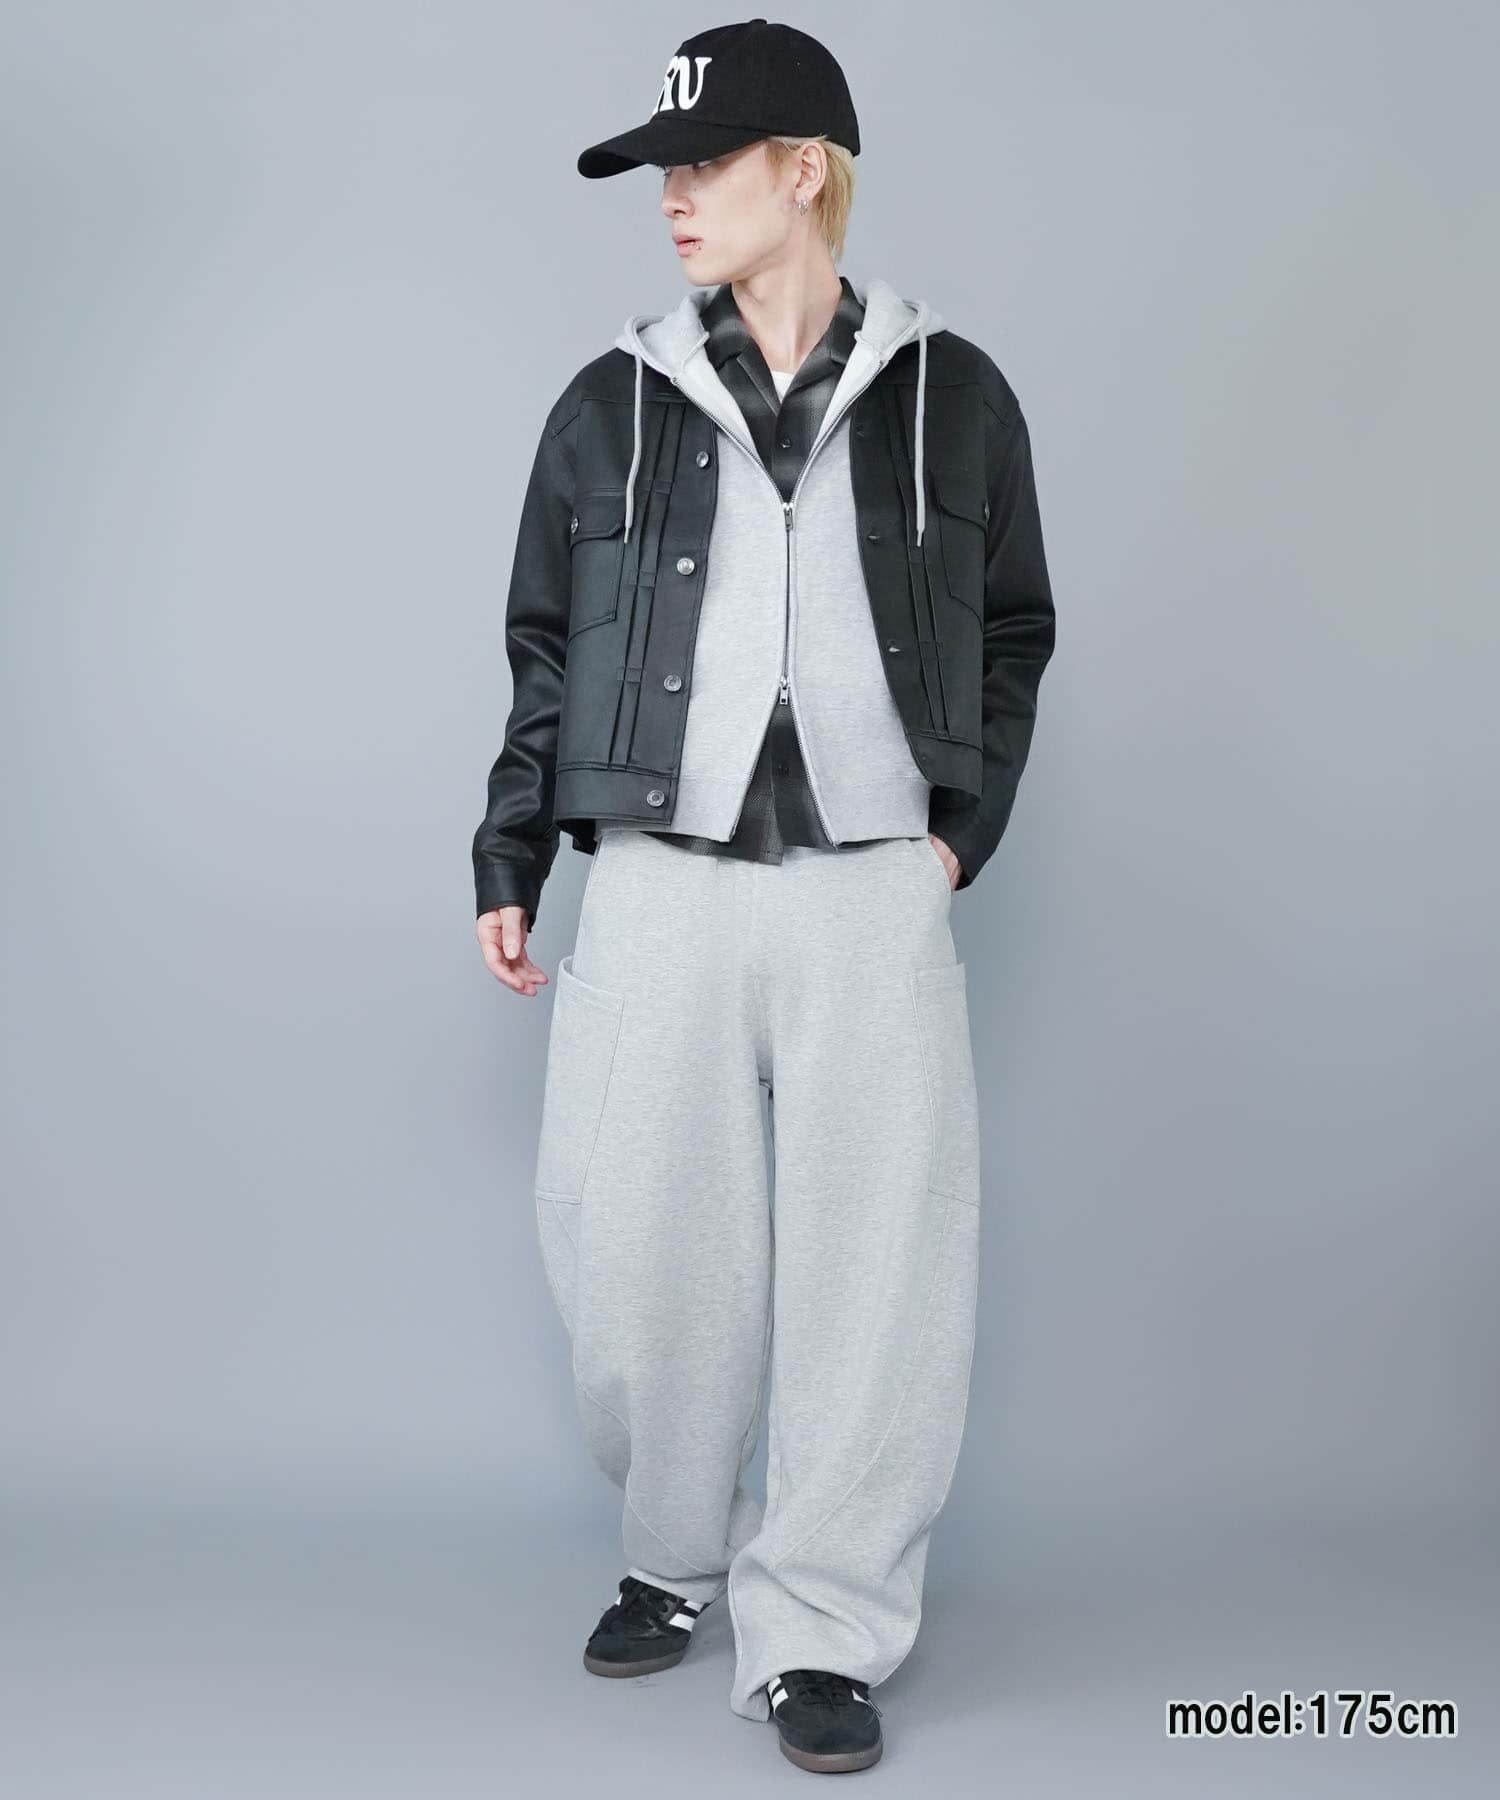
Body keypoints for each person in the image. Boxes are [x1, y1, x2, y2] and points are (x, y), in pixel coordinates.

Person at [471, 18, 1055, 1775]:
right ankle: (674, 1557)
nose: (673, 197)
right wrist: (513, 852)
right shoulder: (611, 400)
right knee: (638, 1258)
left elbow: (1015, 631)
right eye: (664, 170)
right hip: (661, 879)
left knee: (881, 1278)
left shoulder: (958, 397)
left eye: (705, 164)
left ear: (805, 172)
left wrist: (955, 835)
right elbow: (547, 650)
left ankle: (821, 1628)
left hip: (873, 884)